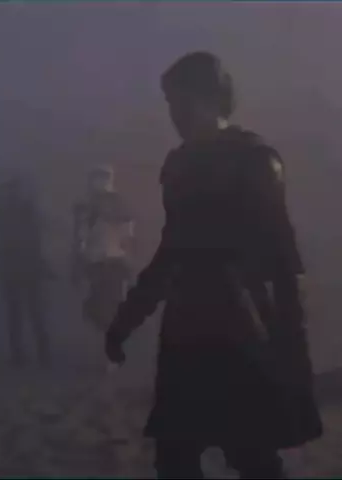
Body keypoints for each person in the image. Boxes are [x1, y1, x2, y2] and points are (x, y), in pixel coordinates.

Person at [104, 52, 323, 479]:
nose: (175, 113)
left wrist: (289, 340)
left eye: (181, 101)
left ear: (210, 99)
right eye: (170, 103)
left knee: (250, 454)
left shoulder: (254, 160)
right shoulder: (180, 164)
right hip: (186, 328)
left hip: (240, 328)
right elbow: (171, 252)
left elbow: (282, 258)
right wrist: (126, 319)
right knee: (175, 455)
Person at [0, 175, 51, 366]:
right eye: (14, 190)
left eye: (18, 190)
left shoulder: (20, 211)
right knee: (24, 312)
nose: (16, 194)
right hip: (17, 267)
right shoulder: (6, 212)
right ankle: (28, 353)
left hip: (23, 266)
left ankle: (34, 352)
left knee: (29, 312)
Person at [72, 164, 136, 333]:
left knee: (115, 299)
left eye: (105, 178)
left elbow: (127, 231)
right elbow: (80, 235)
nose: (102, 182)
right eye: (98, 178)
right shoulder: (86, 206)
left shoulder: (119, 203)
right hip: (97, 260)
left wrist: (127, 256)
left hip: (114, 259)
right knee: (100, 300)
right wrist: (79, 258)